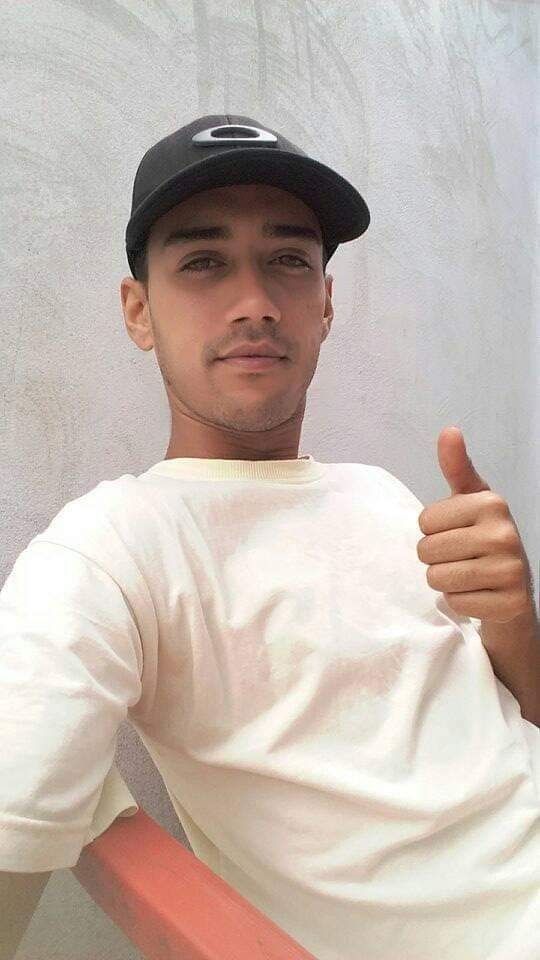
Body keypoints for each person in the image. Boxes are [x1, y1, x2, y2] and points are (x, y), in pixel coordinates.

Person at [1, 115, 539, 960]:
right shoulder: (108, 550)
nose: (254, 303)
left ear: (325, 304)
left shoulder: (385, 495)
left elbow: (516, 726)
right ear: (138, 312)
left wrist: (513, 623)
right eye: (203, 262)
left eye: (289, 259)